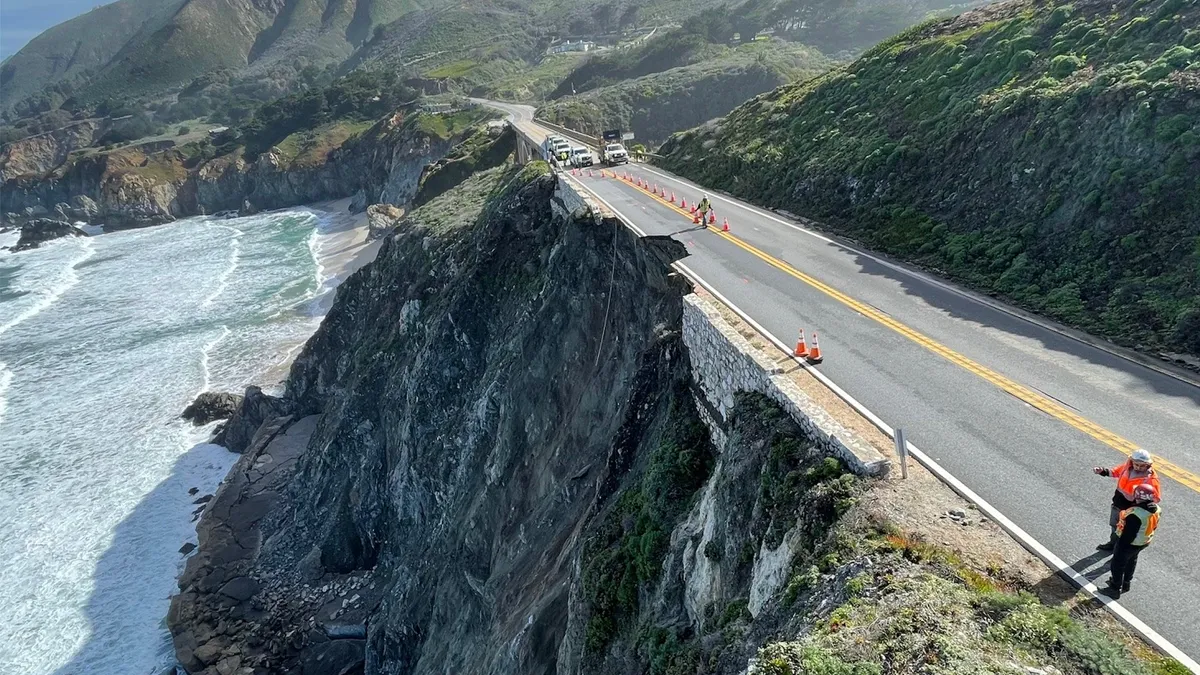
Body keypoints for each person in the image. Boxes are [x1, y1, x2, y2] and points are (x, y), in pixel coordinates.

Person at [1093, 448, 1161, 551]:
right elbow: (1115, 472)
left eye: (1142, 465)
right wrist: (1103, 471)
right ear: (1132, 462)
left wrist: (1148, 506)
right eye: (1136, 464)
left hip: (1132, 509)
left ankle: (1119, 550)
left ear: (1148, 465)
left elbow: (1155, 497)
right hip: (1118, 503)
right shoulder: (1127, 468)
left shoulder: (1150, 479)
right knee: (1115, 525)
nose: (1138, 467)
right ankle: (1113, 543)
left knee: (1125, 530)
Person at [1105, 483, 1161, 598]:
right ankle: (1126, 583)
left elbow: (1129, 534)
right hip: (1144, 541)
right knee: (1131, 561)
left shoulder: (1135, 514)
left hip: (1130, 543)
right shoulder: (1156, 509)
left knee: (1117, 564)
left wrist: (1120, 544)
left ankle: (1115, 588)